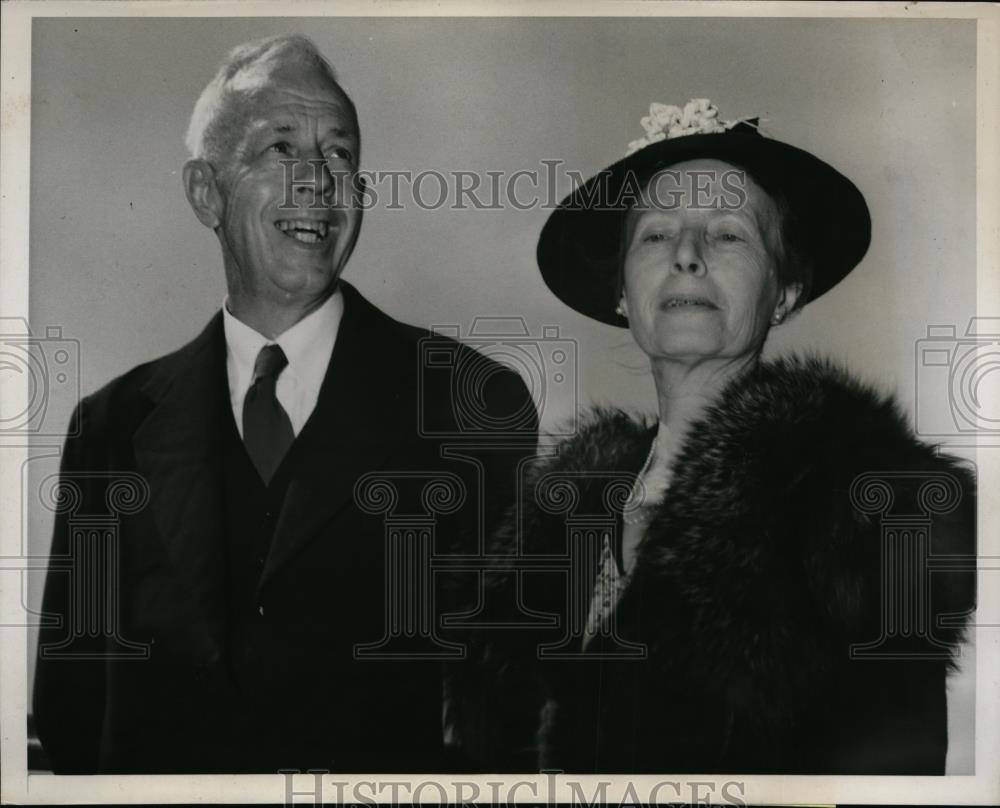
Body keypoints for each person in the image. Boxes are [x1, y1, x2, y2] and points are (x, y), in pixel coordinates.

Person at [33, 34, 536, 774]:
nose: (318, 182)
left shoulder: (471, 404)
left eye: (339, 154)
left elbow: (504, 710)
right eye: (280, 149)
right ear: (206, 191)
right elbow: (73, 710)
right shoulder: (110, 428)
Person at [454, 99, 976, 774]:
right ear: (622, 293)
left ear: (784, 292)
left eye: (728, 234)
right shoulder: (546, 523)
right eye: (655, 236)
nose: (687, 257)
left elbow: (893, 777)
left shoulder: (868, 513)